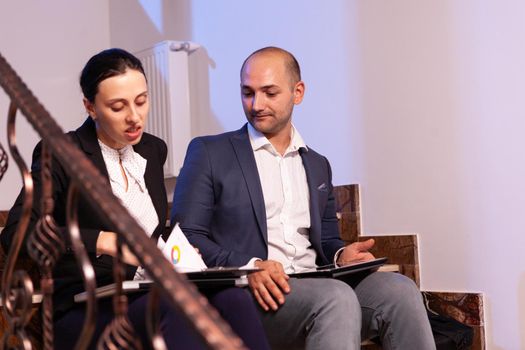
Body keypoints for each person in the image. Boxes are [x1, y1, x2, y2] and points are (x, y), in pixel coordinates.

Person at [1, 48, 269, 350]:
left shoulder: (152, 150)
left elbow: (151, 231)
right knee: (173, 308)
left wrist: (177, 251)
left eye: (142, 101)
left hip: (146, 288)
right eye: (118, 107)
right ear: (90, 107)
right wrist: (102, 241)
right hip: (86, 305)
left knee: (234, 299)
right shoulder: (60, 152)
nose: (134, 117)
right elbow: (17, 234)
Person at [171, 46, 436, 350]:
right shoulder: (209, 152)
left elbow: (326, 241)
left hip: (316, 285)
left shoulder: (317, 164)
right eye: (248, 93)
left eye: (270, 93)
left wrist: (340, 255)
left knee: (400, 290)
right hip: (250, 297)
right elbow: (185, 238)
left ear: (298, 92)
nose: (256, 104)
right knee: (335, 298)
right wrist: (249, 265)